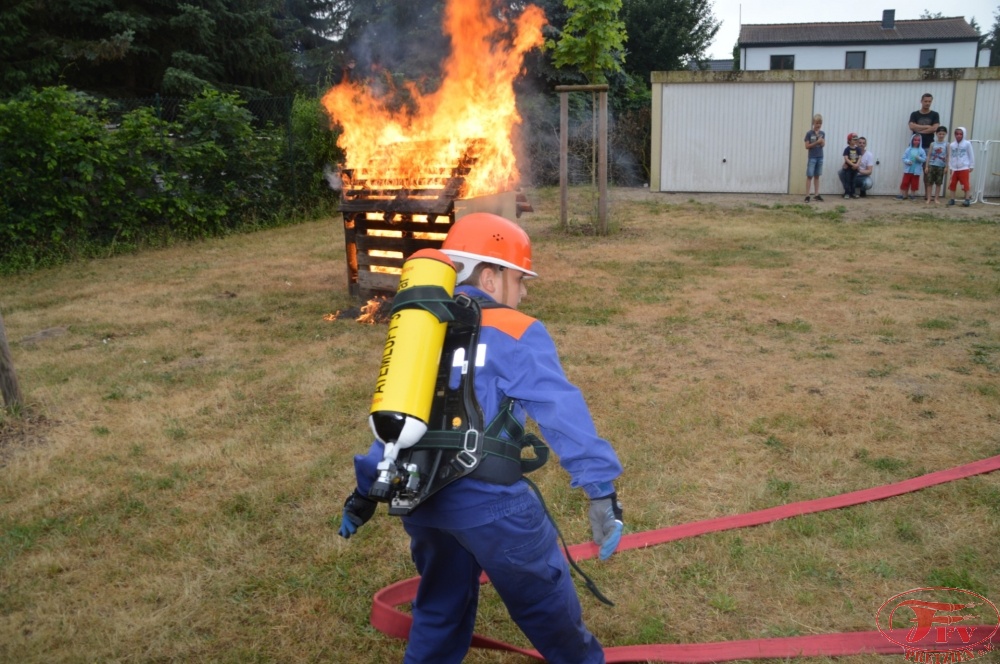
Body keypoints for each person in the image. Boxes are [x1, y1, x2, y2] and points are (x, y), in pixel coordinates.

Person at [339, 213, 624, 664]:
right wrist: (600, 490)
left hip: (425, 508)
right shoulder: (517, 330)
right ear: (490, 275)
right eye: (520, 279)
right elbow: (560, 412)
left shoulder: (421, 332)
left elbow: (397, 422)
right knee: (546, 608)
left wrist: (363, 493)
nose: (525, 292)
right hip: (496, 511)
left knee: (438, 609)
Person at [908, 93, 941, 200]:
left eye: (929, 101)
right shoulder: (914, 114)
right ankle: (910, 194)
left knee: (927, 171)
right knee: (911, 170)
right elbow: (911, 126)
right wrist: (927, 126)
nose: (927, 103)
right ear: (921, 101)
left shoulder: (935, 114)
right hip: (914, 147)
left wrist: (919, 129)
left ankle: (928, 196)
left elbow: (935, 128)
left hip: (928, 147)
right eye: (925, 101)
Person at [946, 126, 976, 207]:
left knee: (965, 184)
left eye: (960, 134)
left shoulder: (967, 144)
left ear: (963, 134)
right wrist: (950, 167)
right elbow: (951, 156)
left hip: (964, 167)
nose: (958, 135)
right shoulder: (952, 145)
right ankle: (952, 199)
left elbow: (971, 155)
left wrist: (971, 165)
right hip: (954, 168)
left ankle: (967, 199)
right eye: (957, 134)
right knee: (952, 184)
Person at [897, 134, 926, 201]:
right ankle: (903, 194)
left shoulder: (921, 150)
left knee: (914, 183)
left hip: (916, 171)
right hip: (908, 170)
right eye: (915, 140)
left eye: (918, 140)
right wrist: (908, 161)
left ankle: (913, 195)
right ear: (912, 140)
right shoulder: (908, 150)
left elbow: (924, 159)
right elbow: (904, 158)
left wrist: (919, 158)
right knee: (905, 182)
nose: (916, 142)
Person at [804, 114, 825, 202]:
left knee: (817, 176)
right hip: (812, 157)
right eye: (817, 123)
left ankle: (816, 194)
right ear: (813, 123)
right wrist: (817, 142)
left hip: (820, 157)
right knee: (810, 176)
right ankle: (807, 195)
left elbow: (823, 144)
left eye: (820, 123)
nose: (818, 125)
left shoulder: (822, 133)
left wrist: (821, 142)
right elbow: (807, 146)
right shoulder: (809, 133)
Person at [925, 126, 949, 204]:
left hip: (941, 166)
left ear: (945, 134)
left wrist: (946, 166)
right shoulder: (933, 144)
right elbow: (929, 155)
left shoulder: (947, 144)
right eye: (939, 134)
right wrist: (926, 166)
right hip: (932, 164)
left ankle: (936, 198)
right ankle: (929, 198)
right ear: (936, 134)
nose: (941, 135)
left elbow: (948, 156)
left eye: (943, 134)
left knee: (938, 183)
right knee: (929, 182)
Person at [839, 133, 862, 199]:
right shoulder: (847, 149)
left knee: (854, 181)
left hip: (855, 169)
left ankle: (853, 193)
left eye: (856, 139)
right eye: (854, 139)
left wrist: (857, 164)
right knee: (847, 181)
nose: (855, 141)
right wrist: (853, 164)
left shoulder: (858, 149)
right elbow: (846, 158)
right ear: (849, 141)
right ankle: (847, 193)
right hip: (848, 168)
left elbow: (860, 157)